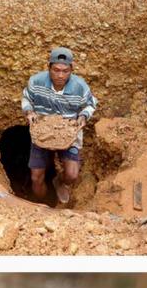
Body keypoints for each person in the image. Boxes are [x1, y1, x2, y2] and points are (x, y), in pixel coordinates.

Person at [22, 47, 98, 206]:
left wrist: (84, 116)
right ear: (48, 67)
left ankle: (59, 182)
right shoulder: (36, 82)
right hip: (43, 131)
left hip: (68, 133)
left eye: (65, 71)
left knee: (72, 174)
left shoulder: (80, 86)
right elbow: (27, 98)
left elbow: (90, 104)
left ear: (71, 70)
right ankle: (40, 205)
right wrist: (29, 112)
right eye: (56, 70)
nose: (60, 75)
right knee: (36, 177)